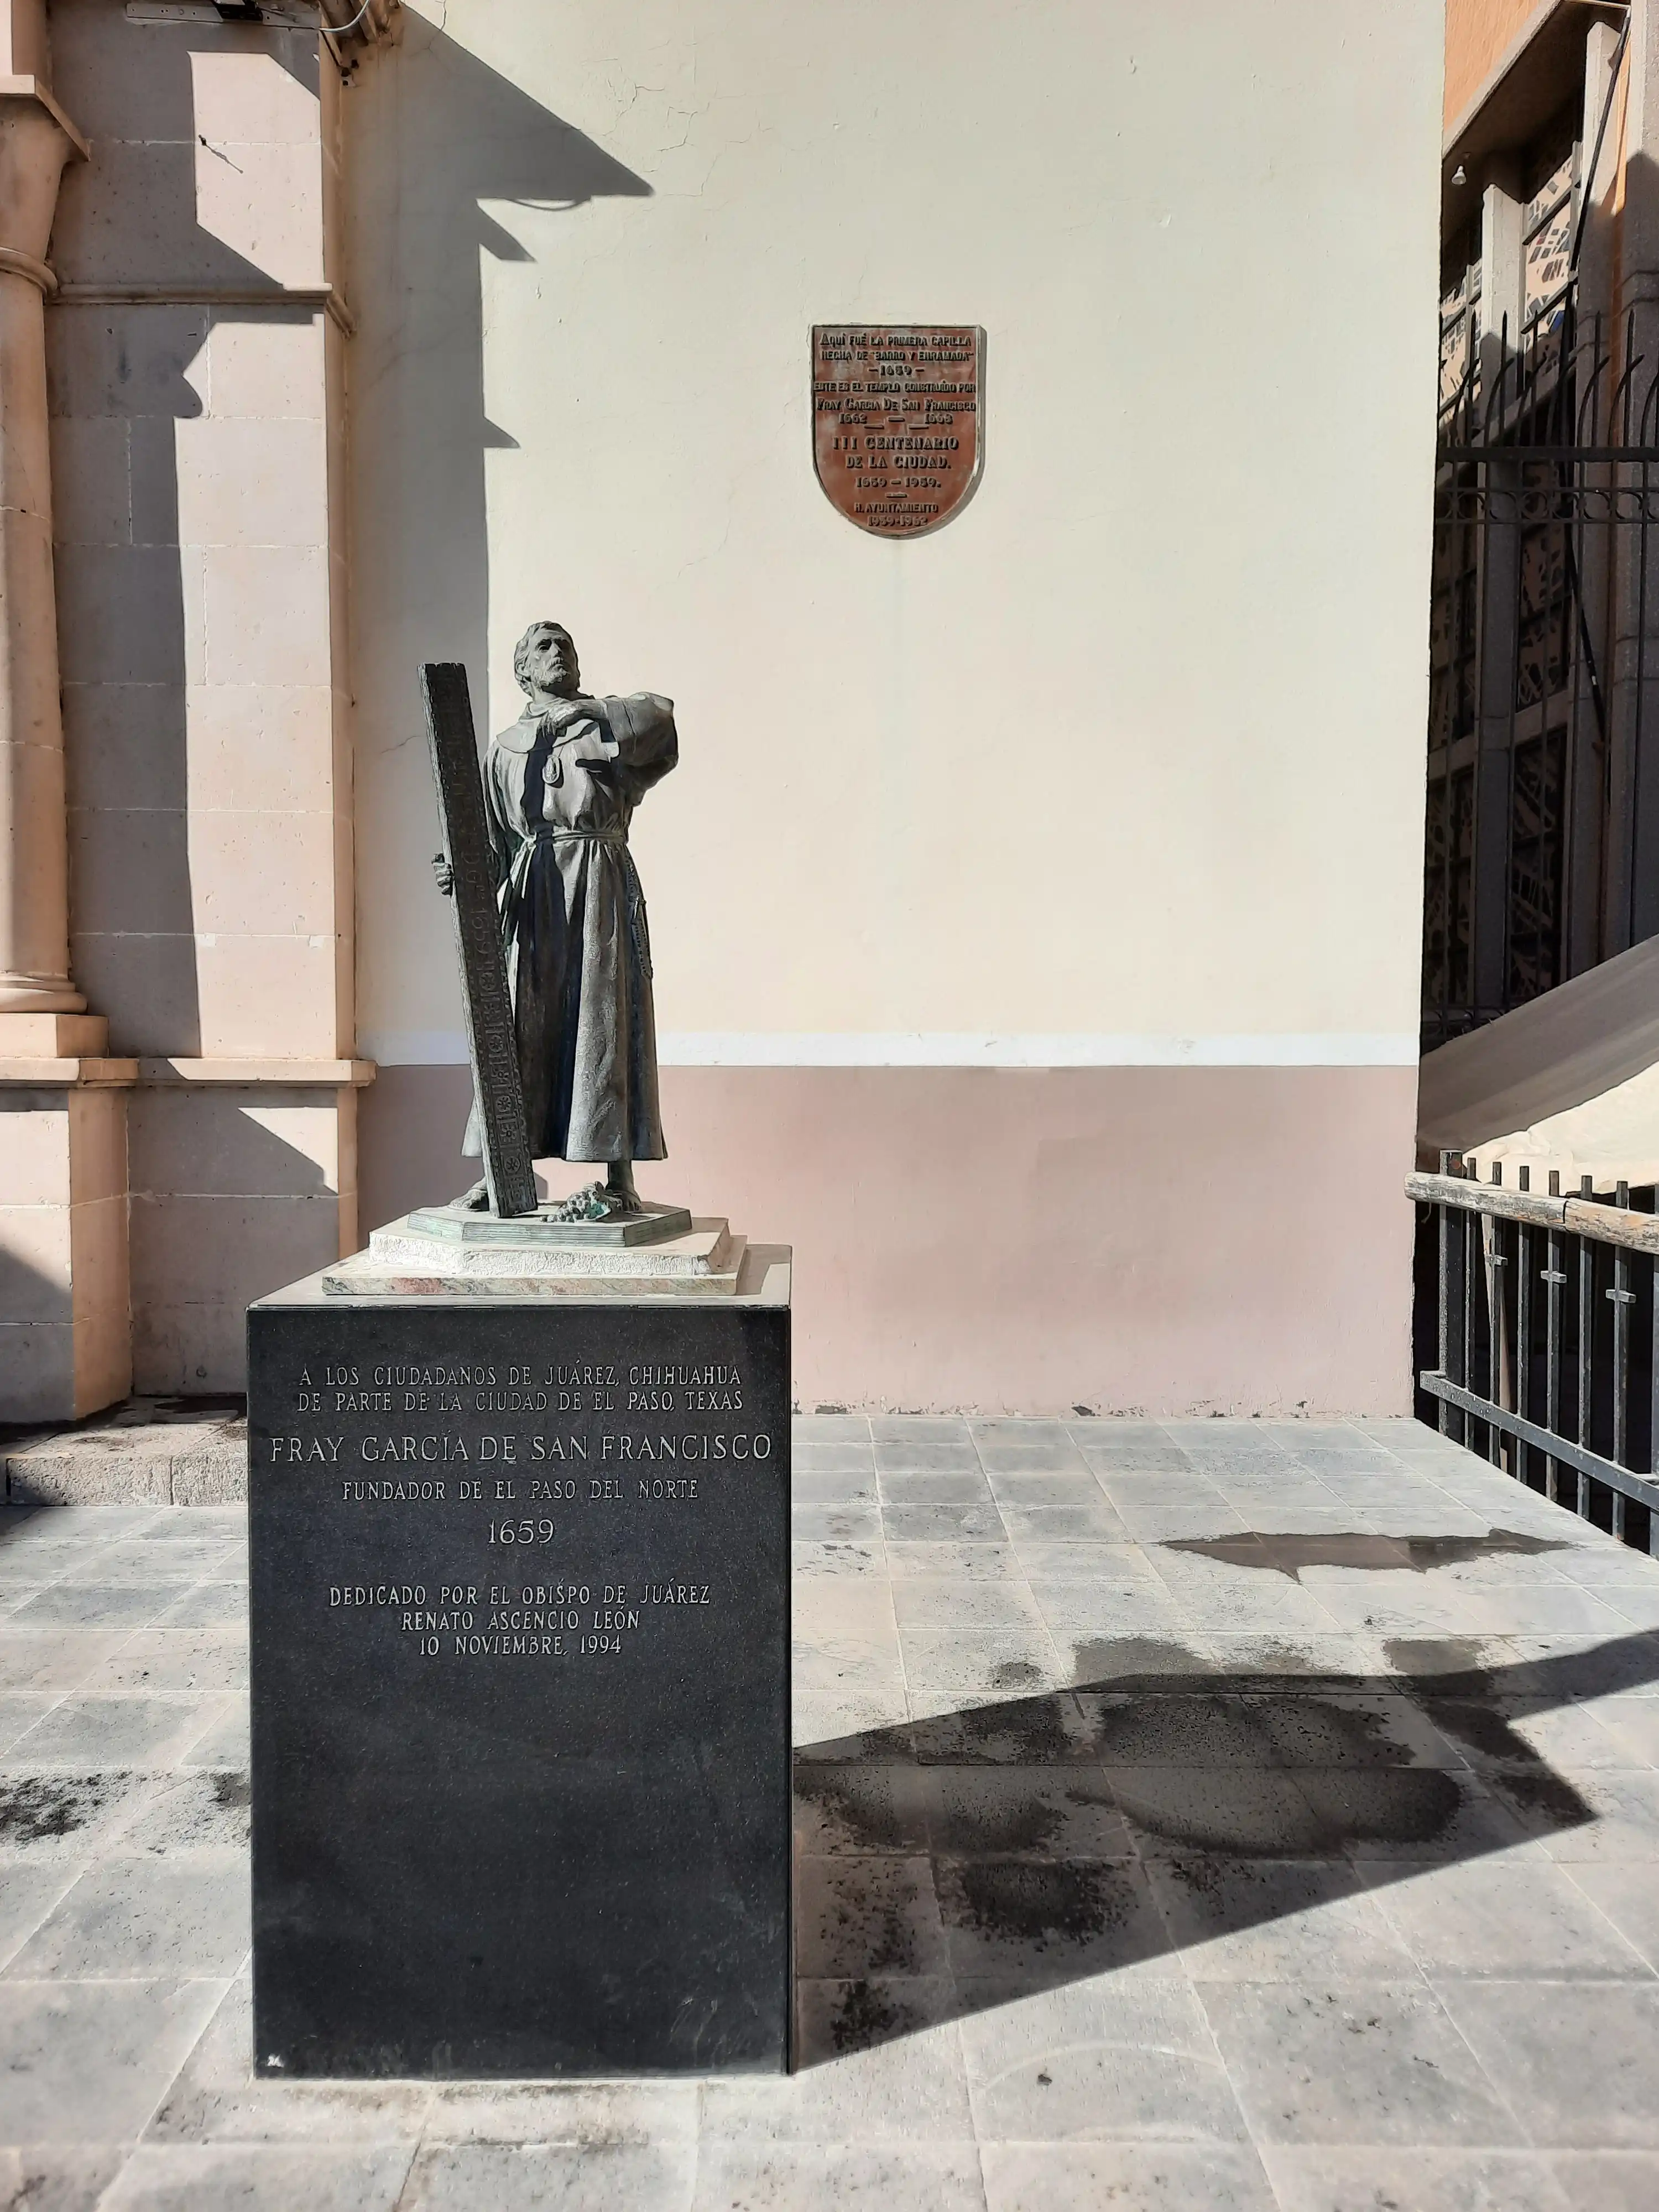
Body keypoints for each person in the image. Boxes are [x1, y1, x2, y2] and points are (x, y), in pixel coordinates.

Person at [434, 620, 677, 1217]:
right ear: (523, 670)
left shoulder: (605, 727)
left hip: (600, 883)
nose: (557, 652)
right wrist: (460, 874)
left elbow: (662, 725)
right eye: (543, 646)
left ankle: (619, 1178)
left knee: (606, 1020)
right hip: (535, 891)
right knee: (521, 1026)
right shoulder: (504, 751)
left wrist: (588, 710)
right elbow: (494, 849)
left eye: (564, 644)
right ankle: (501, 1173)